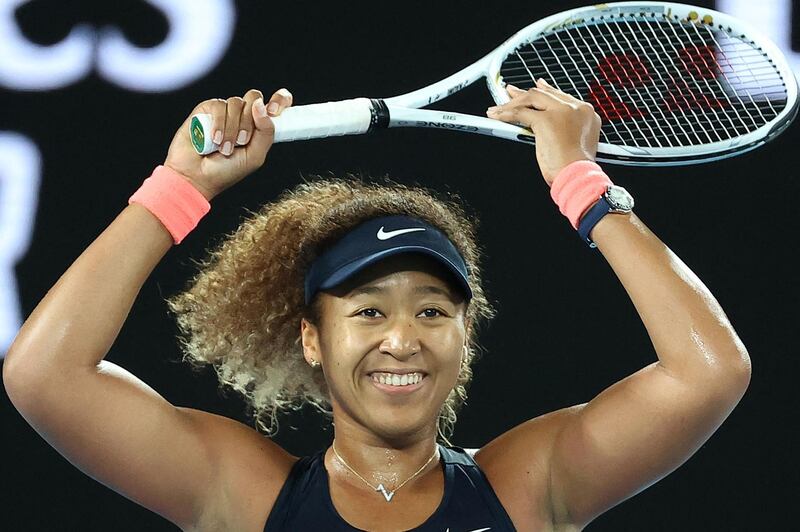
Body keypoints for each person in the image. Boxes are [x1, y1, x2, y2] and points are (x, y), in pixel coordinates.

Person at [3, 81, 751, 531]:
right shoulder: (242, 496)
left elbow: (709, 371)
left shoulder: (530, 488)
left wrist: (583, 186)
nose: (403, 338)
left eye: (433, 311)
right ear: (311, 339)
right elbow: (44, 375)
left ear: (465, 337)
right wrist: (180, 186)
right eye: (367, 311)